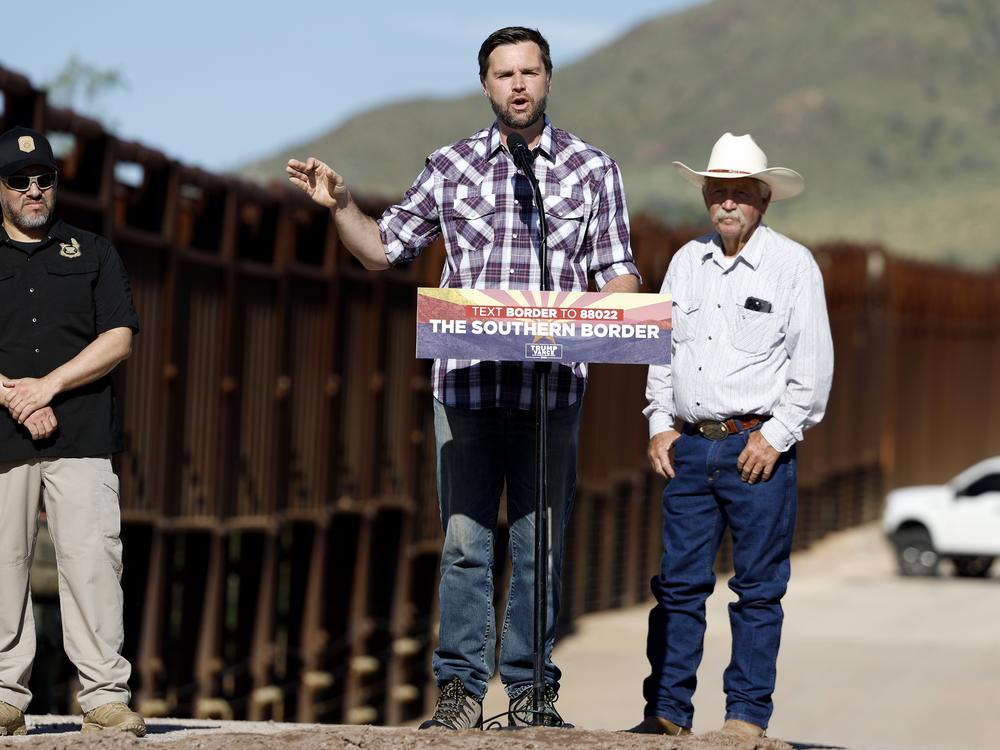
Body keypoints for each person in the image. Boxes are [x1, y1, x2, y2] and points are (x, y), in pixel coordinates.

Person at [288, 27, 639, 729]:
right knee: (465, 545)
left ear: (548, 79)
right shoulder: (450, 167)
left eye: (529, 72)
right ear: (485, 84)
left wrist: (612, 311)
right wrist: (341, 206)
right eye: (504, 73)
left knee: (540, 545)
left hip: (551, 392)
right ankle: (459, 692)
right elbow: (384, 249)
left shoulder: (591, 169)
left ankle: (533, 694)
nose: (517, 85)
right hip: (469, 391)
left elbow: (619, 274)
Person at [634, 133, 833, 738]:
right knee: (677, 586)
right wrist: (659, 423)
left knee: (758, 590)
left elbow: (812, 366)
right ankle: (666, 712)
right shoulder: (684, 262)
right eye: (716, 193)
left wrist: (776, 436)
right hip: (691, 448)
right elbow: (663, 350)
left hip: (757, 450)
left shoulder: (792, 265)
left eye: (739, 194)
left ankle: (745, 717)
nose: (726, 204)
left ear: (763, 200)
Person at [0, 126, 145, 737]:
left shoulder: (93, 252)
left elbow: (119, 338)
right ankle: (5, 696)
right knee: (1, 563)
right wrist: (15, 397)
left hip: (82, 434)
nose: (34, 190)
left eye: (44, 180)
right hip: (2, 439)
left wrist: (47, 387)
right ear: (1, 189)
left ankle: (105, 697)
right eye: (19, 181)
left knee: (91, 560)